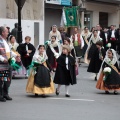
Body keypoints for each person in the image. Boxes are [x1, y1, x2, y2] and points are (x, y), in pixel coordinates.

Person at [0, 26, 20, 102]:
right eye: (7, 31)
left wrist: (16, 55)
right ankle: (1, 95)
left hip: (8, 64)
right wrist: (3, 59)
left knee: (7, 80)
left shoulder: (5, 41)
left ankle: (5, 94)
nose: (8, 33)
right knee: (2, 80)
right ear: (3, 32)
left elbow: (9, 52)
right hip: (2, 65)